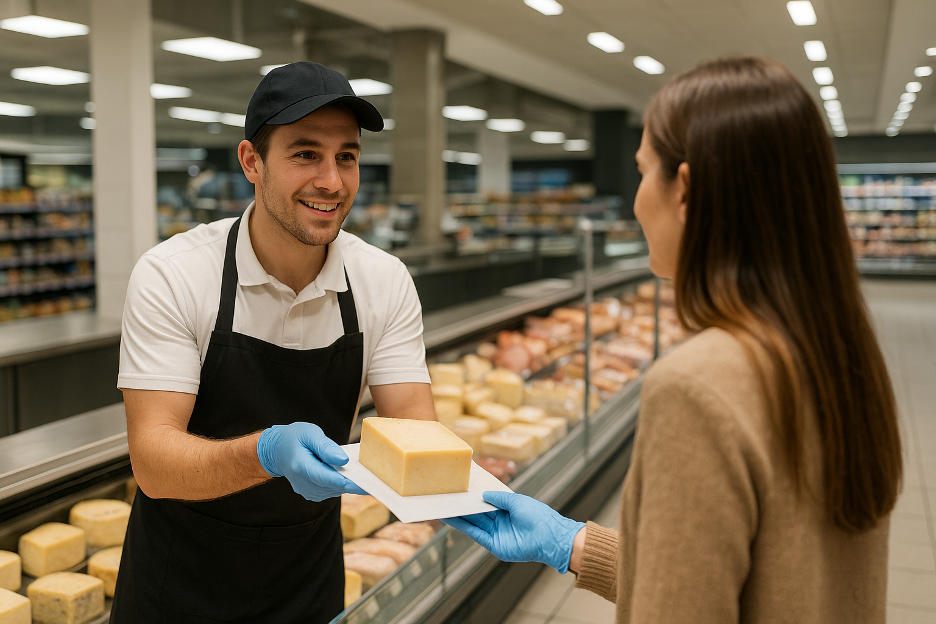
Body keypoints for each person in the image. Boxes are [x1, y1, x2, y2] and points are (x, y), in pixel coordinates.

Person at [444, 57, 903, 623]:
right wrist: (572, 544)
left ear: (684, 190)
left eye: (642, 171)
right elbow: (773, 566)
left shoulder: (697, 384)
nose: (637, 201)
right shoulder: (836, 349)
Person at [112, 62, 436, 624]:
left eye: (347, 157)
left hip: (306, 582)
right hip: (177, 585)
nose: (331, 181)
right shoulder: (174, 274)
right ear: (251, 162)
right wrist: (265, 453)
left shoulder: (383, 281)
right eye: (305, 154)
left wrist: (468, 493)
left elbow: (415, 429)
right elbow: (153, 460)